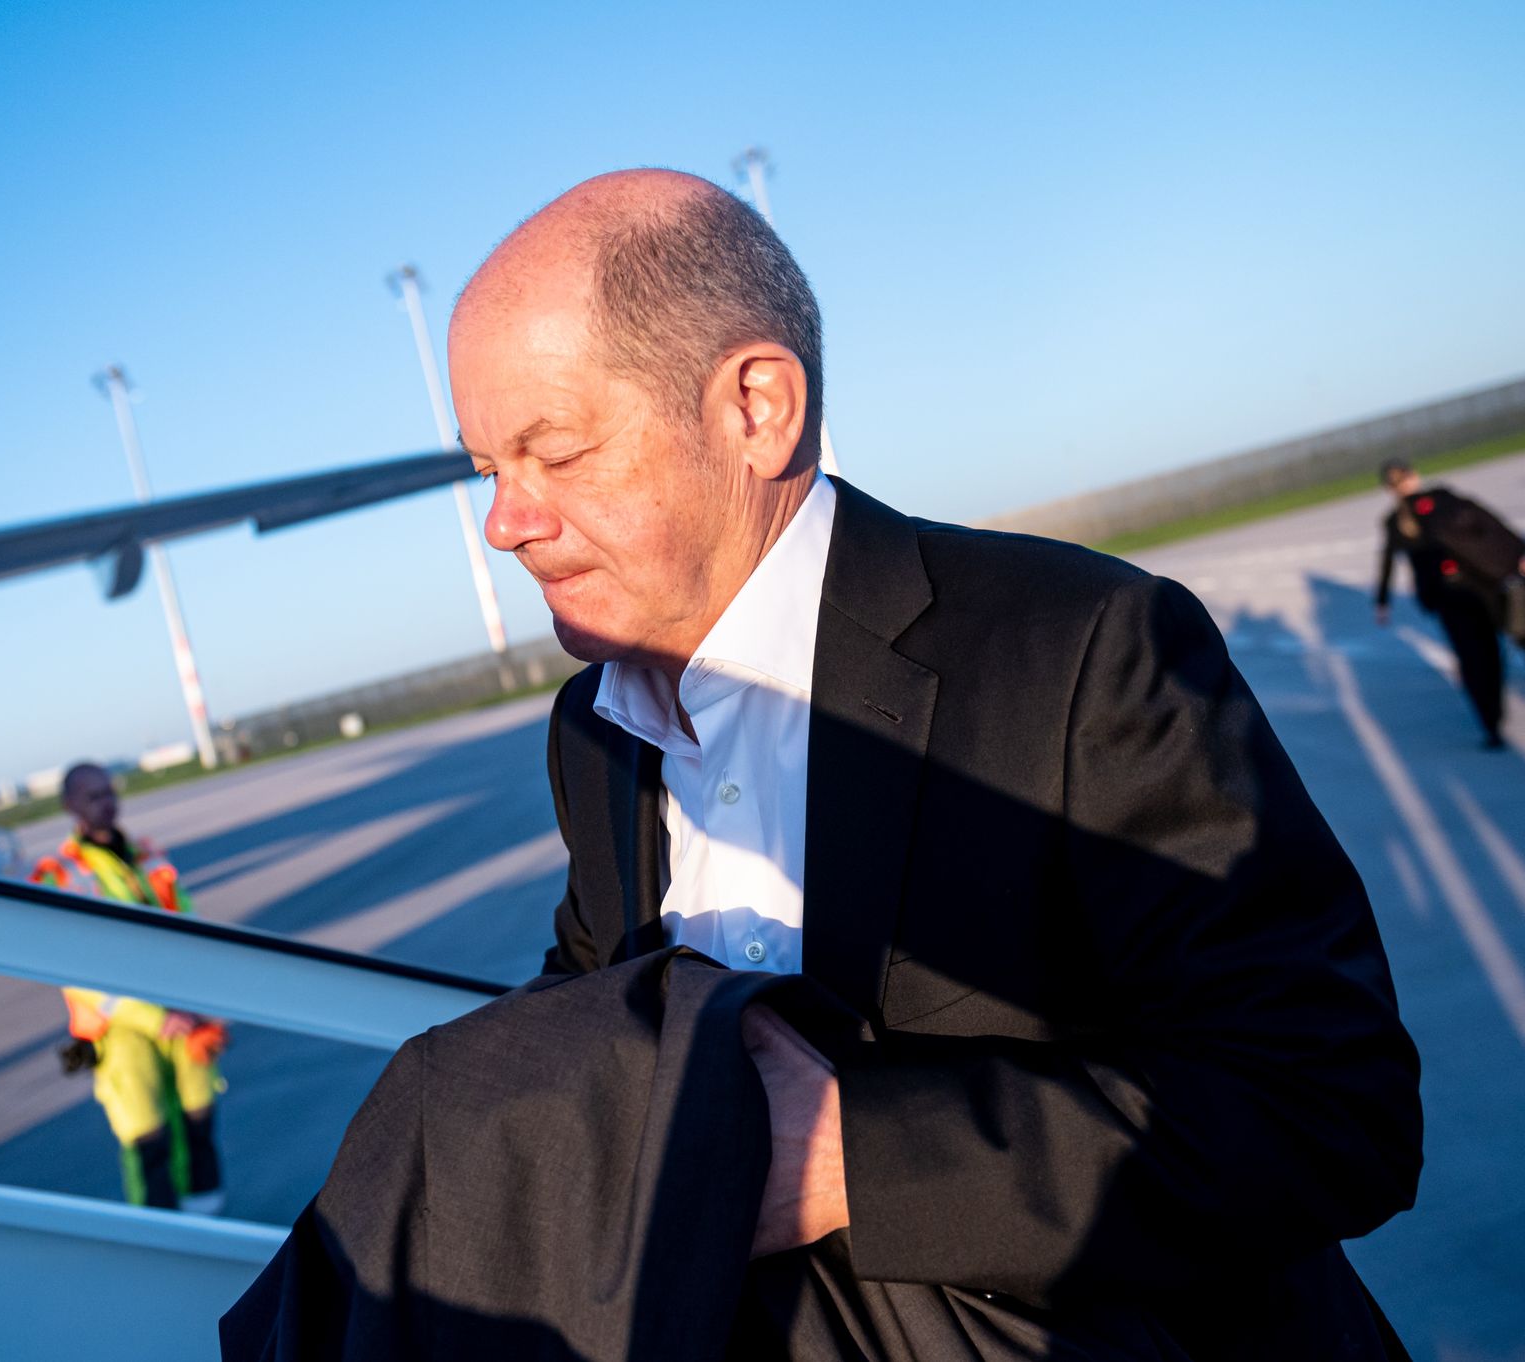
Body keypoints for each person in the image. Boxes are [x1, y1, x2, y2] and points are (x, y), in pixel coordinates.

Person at [441, 170, 1422, 1356]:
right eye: (487, 471)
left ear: (755, 407)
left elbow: (1329, 1107)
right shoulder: (594, 733)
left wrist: (847, 1158)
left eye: (553, 451)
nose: (504, 522)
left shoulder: (1074, 647)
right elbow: (592, 1002)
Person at [30, 762, 226, 1213]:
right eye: (93, 796)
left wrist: (203, 1000)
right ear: (70, 806)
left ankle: (210, 1228)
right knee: (147, 1142)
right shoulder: (58, 874)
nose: (107, 803)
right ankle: (160, 1239)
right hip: (122, 1031)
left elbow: (190, 925)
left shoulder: (147, 854)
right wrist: (154, 1018)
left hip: (185, 1016)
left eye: (109, 792)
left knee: (199, 1124)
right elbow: (75, 971)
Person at [1374, 458, 1525, 748]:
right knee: (1489, 652)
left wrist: (1383, 602)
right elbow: (1489, 525)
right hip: (1479, 587)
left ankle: (1490, 722)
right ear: (1413, 476)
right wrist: (1517, 556)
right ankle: (1495, 709)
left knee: (1470, 656)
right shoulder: (1441, 499)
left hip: (1445, 598)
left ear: (1389, 488)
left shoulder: (1395, 521)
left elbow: (1387, 563)